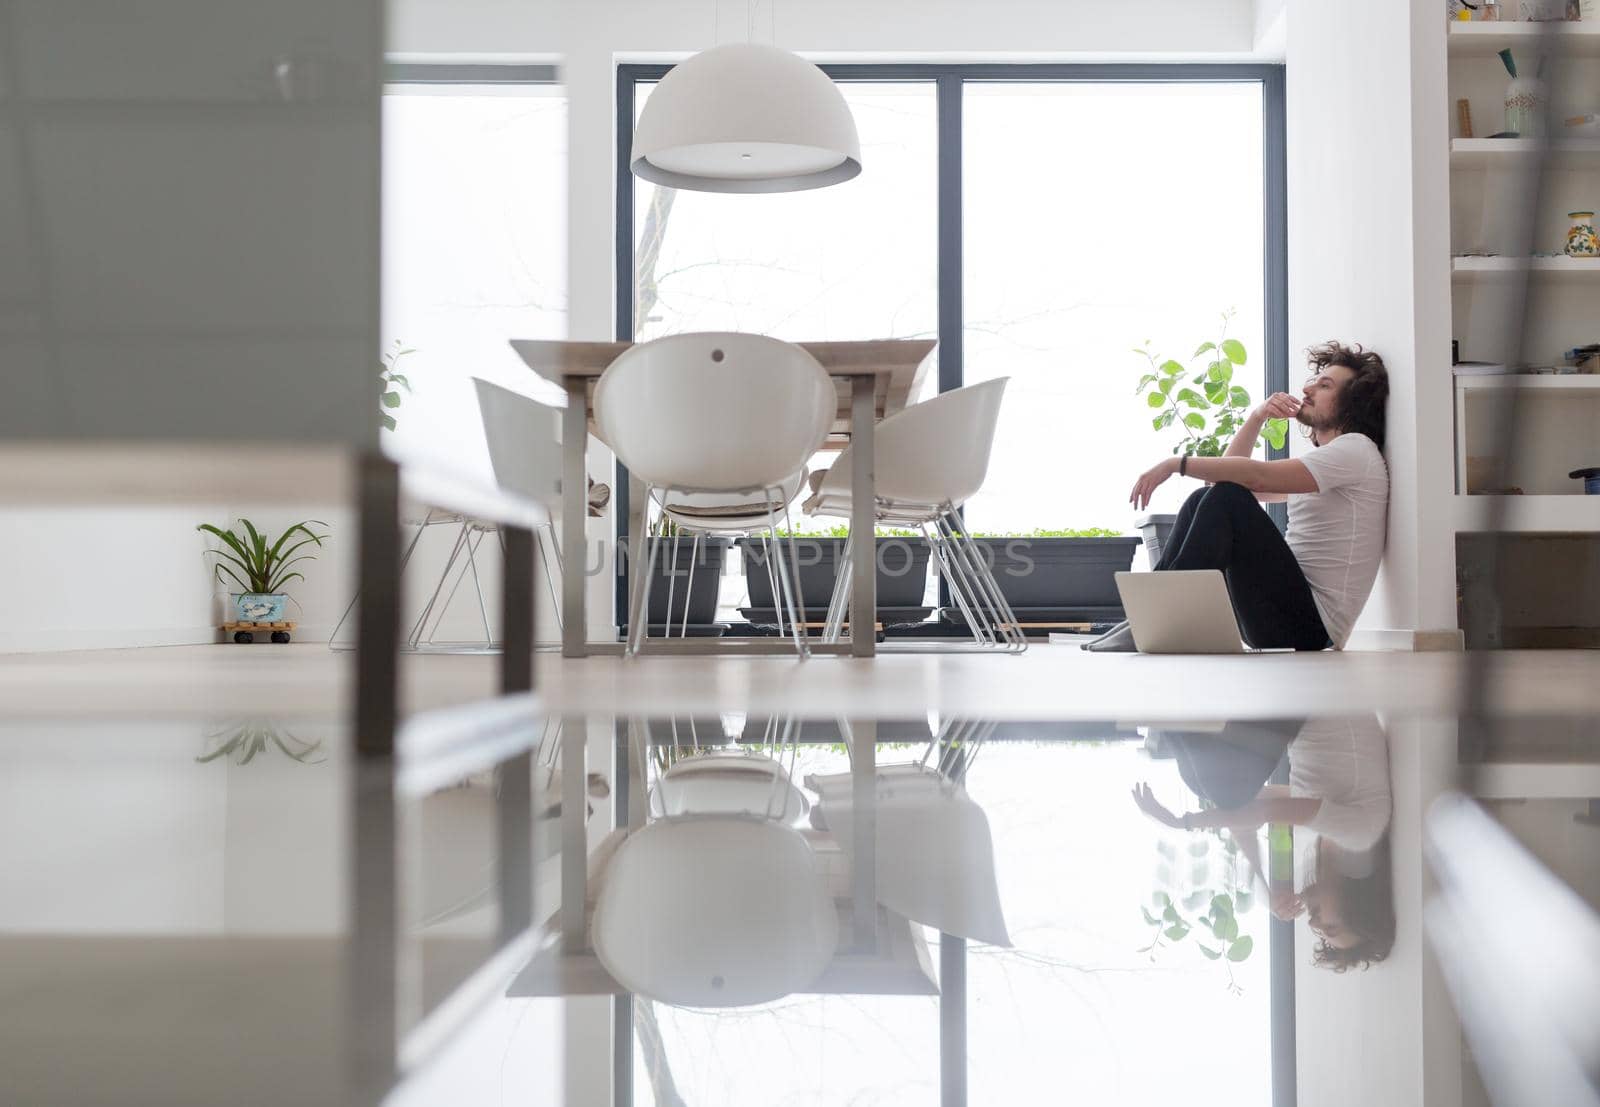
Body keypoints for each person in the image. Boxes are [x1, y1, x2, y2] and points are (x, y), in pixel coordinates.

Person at [1088, 341, 1390, 652]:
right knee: (1202, 499)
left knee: (1227, 499)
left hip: (1311, 628)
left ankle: (1159, 622)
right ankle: (1150, 618)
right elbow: (1221, 480)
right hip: (1280, 615)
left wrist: (1175, 464)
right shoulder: (1329, 460)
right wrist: (1257, 416)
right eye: (1313, 382)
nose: (1307, 390)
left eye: (1324, 385)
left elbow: (1248, 479)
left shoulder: (1356, 450)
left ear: (1351, 401)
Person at [1131, 715, 1395, 972]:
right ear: (1357, 904)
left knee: (1206, 787)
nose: (1314, 922)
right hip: (1318, 695)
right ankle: (1168, 718)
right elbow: (1260, 811)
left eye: (1322, 934)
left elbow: (1246, 810)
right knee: (1226, 790)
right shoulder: (1361, 833)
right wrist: (1182, 823)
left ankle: (1168, 716)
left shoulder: (1335, 839)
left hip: (1303, 707)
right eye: (1331, 927)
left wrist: (1268, 892)